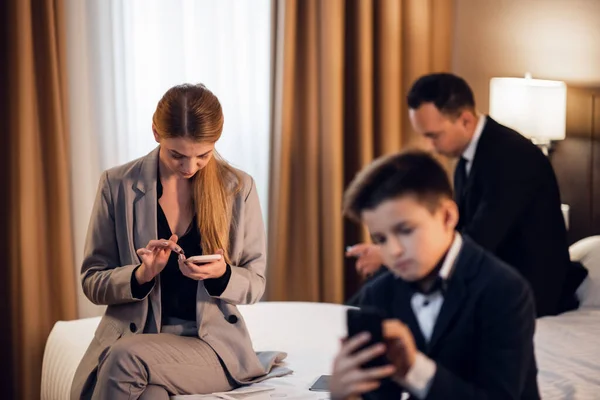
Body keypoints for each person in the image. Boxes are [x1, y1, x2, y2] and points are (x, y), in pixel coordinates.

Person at [71, 84, 287, 400]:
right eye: (177, 155)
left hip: (208, 346)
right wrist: (140, 276)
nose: (189, 167)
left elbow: (255, 284)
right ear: (156, 132)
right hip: (141, 337)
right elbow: (92, 281)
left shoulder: (238, 188)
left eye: (203, 155)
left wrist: (222, 275)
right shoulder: (116, 184)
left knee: (124, 357)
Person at [347, 73, 580, 317]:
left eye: (433, 135)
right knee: (396, 282)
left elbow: (480, 240)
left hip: (528, 288)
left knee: (405, 280)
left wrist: (391, 255)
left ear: (466, 121)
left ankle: (350, 318)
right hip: (487, 270)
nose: (428, 146)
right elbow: (454, 234)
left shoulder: (513, 157)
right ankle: (349, 316)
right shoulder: (468, 159)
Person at [332, 150, 539, 400]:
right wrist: (345, 395)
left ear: (447, 216)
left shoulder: (505, 290)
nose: (393, 251)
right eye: (381, 239)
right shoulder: (378, 294)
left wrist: (415, 369)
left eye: (406, 230)